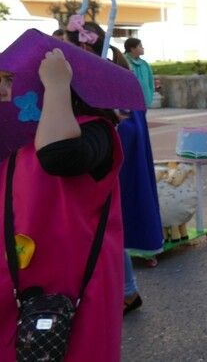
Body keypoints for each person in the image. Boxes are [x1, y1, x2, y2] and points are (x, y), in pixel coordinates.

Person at [0, 30, 147, 360]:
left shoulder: (95, 131)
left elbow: (59, 154)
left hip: (72, 288)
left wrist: (56, 87)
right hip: (14, 281)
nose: (8, 89)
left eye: (13, 80)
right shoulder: (16, 137)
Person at [68, 18, 161, 315]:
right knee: (101, 230)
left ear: (85, 46)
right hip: (96, 163)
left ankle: (125, 291)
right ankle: (123, 291)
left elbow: (128, 125)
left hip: (104, 166)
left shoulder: (109, 76)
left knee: (105, 229)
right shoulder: (83, 75)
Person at [124, 37, 155, 108]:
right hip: (129, 103)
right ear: (132, 49)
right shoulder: (123, 61)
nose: (143, 48)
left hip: (144, 101)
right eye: (140, 46)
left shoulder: (145, 64)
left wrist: (149, 96)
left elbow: (150, 82)